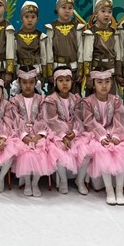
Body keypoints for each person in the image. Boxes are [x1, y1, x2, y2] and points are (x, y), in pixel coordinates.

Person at [81, 70, 124, 206]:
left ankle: (119, 190)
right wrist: (101, 136)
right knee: (103, 152)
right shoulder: (88, 102)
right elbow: (89, 122)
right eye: (99, 82)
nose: (104, 85)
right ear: (93, 84)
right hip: (95, 135)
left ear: (111, 83)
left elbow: (121, 120)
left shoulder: (116, 100)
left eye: (107, 82)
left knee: (121, 152)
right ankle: (109, 190)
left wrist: (116, 135)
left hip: (114, 133)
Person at [10, 66, 56, 197]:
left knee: (41, 151)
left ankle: (35, 183)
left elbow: (44, 118)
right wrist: (24, 135)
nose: (28, 86)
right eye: (24, 82)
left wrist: (38, 136)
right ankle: (27, 183)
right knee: (25, 153)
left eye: (31, 82)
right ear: (19, 83)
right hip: (20, 134)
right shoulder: (14, 101)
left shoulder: (42, 100)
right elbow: (15, 120)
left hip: (39, 134)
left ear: (36, 82)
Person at [43, 66, 90, 195]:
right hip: (58, 134)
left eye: (67, 80)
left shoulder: (76, 99)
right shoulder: (51, 100)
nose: (64, 83)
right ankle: (63, 180)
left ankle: (80, 180)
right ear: (55, 82)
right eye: (61, 80)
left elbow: (80, 118)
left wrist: (75, 132)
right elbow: (51, 121)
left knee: (86, 152)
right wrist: (63, 135)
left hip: (75, 133)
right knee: (58, 151)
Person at [44, 0, 84, 94]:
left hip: (74, 70)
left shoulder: (77, 27)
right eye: (64, 7)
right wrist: (50, 72)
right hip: (57, 70)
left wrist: (80, 71)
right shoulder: (51, 27)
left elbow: (81, 50)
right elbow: (48, 51)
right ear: (57, 9)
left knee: (74, 98)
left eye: (70, 8)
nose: (67, 11)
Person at [82, 0, 118, 94]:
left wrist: (118, 73)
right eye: (103, 11)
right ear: (96, 13)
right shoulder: (90, 32)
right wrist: (88, 76)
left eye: (109, 12)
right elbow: (87, 57)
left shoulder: (114, 32)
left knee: (110, 99)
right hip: (95, 73)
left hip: (110, 73)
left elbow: (117, 55)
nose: (106, 14)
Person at [14, 2, 47, 80]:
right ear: (21, 18)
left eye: (33, 17)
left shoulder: (41, 36)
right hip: (20, 71)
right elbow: (14, 57)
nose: (29, 20)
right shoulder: (15, 36)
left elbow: (44, 57)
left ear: (37, 19)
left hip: (36, 72)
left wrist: (44, 75)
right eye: (26, 17)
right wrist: (13, 73)